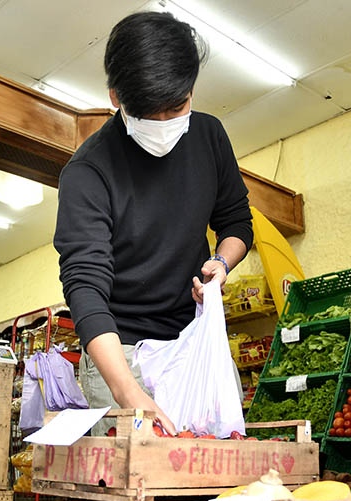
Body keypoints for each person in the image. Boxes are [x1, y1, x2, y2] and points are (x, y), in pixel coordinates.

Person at [53, 10, 253, 436]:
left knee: (223, 472)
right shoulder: (88, 172)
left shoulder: (209, 136)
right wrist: (128, 392)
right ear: (115, 98)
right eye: (149, 115)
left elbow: (236, 222)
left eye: (177, 108)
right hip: (121, 352)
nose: (164, 125)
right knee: (141, 485)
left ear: (192, 89)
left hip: (195, 342)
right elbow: (85, 287)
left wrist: (221, 262)